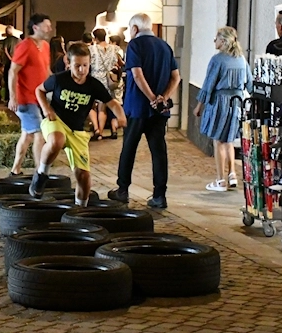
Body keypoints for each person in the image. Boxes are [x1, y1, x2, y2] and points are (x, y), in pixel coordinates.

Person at [30, 42, 127, 204]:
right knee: (57, 140)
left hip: (77, 130)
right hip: (56, 121)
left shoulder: (94, 85)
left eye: (85, 65)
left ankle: (80, 209)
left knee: (84, 176)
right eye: (77, 66)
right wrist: (47, 109)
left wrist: (121, 116)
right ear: (68, 63)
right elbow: (39, 90)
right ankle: (41, 175)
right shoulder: (59, 79)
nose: (81, 70)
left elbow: (112, 103)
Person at [108, 13, 180, 209]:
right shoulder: (165, 46)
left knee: (129, 148)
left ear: (135, 29)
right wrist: (162, 98)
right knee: (159, 151)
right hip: (159, 112)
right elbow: (176, 77)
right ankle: (159, 195)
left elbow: (137, 75)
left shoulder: (135, 45)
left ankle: (122, 190)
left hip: (137, 107)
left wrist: (151, 99)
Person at [194, 26, 253, 192]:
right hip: (236, 103)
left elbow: (208, 85)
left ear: (223, 40)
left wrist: (199, 105)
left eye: (216, 38)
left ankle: (220, 180)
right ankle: (232, 174)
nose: (214, 41)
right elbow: (249, 83)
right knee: (229, 140)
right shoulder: (241, 59)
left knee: (218, 140)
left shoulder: (217, 59)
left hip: (220, 102)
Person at [8, 14, 52, 176]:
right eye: (46, 26)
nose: (50, 29)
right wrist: (13, 97)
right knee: (40, 134)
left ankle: (15, 169)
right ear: (35, 27)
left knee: (27, 135)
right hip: (25, 98)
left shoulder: (45, 46)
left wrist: (55, 87)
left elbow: (46, 70)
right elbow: (13, 71)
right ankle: (40, 173)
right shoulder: (25, 46)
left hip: (39, 97)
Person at [88, 28, 123, 140]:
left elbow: (88, 63)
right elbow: (120, 62)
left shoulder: (91, 49)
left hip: (96, 79)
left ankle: (97, 130)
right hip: (110, 80)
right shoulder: (115, 48)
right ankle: (101, 131)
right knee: (104, 107)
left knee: (92, 106)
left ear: (95, 38)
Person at [0, 26, 20, 102]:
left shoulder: (6, 40)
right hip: (17, 62)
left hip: (9, 63)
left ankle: (8, 98)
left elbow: (5, 50)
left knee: (8, 80)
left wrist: (10, 58)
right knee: (16, 80)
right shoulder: (17, 40)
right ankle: (16, 97)